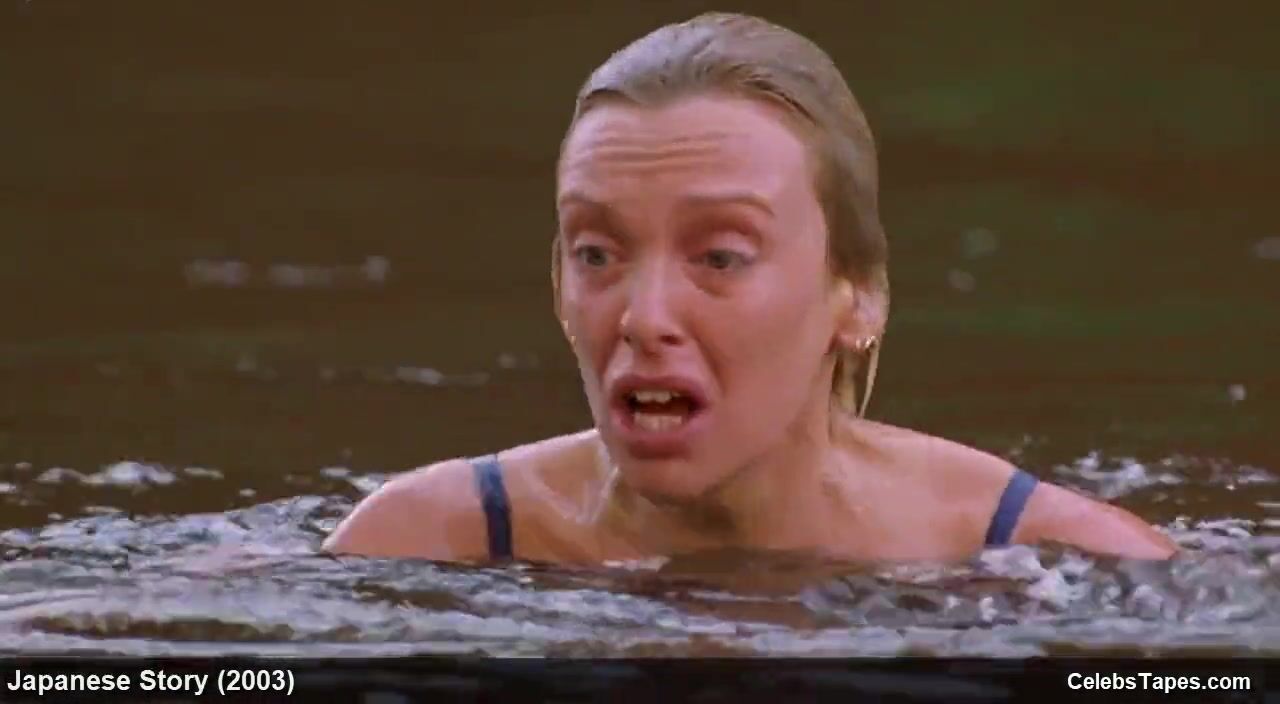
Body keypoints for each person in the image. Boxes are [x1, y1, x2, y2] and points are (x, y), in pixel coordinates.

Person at [323, 12, 1176, 566]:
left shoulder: (1057, 562)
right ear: (556, 286)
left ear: (858, 297)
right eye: (597, 253)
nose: (645, 318)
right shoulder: (423, 543)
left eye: (721, 257)